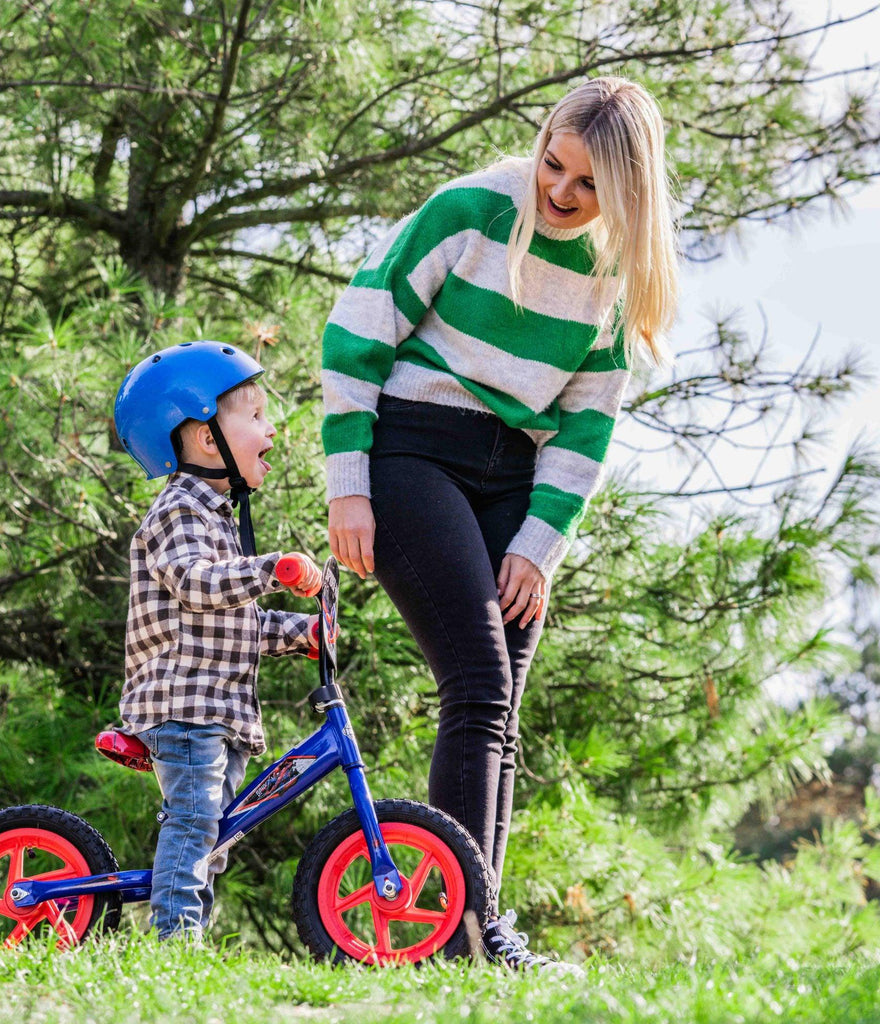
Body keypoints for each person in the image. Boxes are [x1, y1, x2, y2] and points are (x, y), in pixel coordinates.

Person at [321, 77, 679, 972]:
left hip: (513, 479)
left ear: (627, 194)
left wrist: (538, 547)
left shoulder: (613, 276)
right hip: (413, 450)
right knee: (477, 681)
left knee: (499, 710)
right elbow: (357, 332)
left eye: (588, 185)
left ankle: (478, 935)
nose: (559, 192)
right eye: (552, 163)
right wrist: (348, 486)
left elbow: (588, 424)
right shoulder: (471, 208)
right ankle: (466, 934)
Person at [114, 340, 323, 942]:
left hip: (216, 710)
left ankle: (189, 930)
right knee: (197, 821)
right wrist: (272, 569)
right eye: (255, 417)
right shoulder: (179, 510)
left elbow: (233, 623)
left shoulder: (218, 519)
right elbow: (196, 583)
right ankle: (175, 942)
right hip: (183, 706)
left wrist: (300, 632)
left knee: (215, 835)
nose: (272, 430)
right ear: (208, 439)